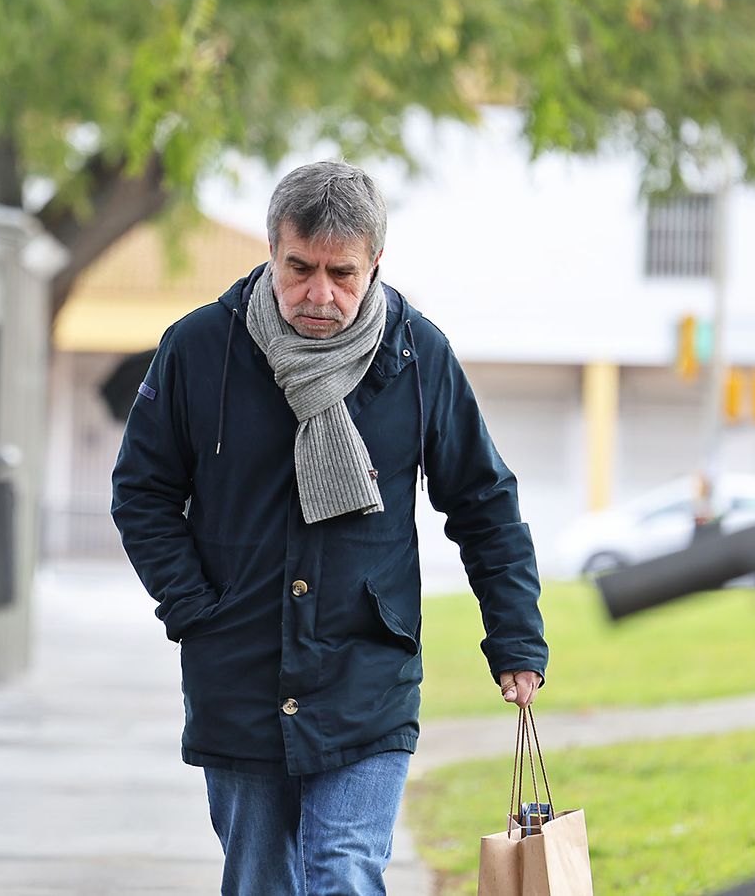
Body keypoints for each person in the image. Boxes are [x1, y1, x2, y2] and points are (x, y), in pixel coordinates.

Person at [112, 159, 548, 894]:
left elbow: (482, 499)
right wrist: (194, 608)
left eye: (342, 273)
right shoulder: (198, 348)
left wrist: (515, 635)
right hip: (239, 669)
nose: (320, 294)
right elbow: (142, 492)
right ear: (271, 250)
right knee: (260, 880)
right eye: (300, 267)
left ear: (377, 261)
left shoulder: (419, 357)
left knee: (342, 871)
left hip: (365, 671)